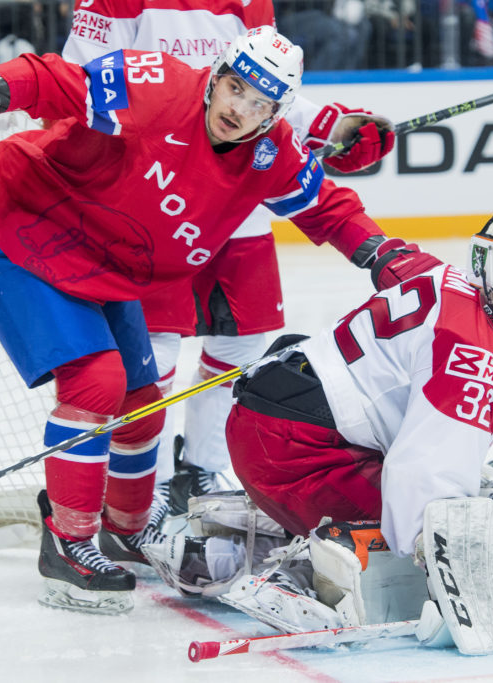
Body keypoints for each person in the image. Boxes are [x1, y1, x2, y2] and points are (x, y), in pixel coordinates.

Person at [0, 27, 421, 615]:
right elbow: (53, 80)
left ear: (275, 114)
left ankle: (127, 526)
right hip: (19, 229)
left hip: (106, 263)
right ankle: (67, 543)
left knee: (141, 399)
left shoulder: (272, 154)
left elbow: (328, 210)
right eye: (235, 88)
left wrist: (387, 255)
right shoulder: (156, 84)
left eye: (259, 104)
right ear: (216, 77)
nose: (239, 110)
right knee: (97, 383)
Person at [142, 204, 493, 652]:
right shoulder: (472, 352)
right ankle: (299, 581)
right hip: (298, 452)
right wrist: (444, 566)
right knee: (443, 514)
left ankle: (228, 549)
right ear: (483, 261)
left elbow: (391, 261)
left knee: (444, 493)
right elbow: (424, 475)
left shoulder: (438, 273)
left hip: (273, 420)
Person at [61, 0, 397, 538]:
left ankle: (201, 470)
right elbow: (84, 80)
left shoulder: (249, 3)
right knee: (152, 359)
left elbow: (260, 81)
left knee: (242, 346)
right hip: (153, 192)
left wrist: (327, 126)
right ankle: (147, 490)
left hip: (234, 200)